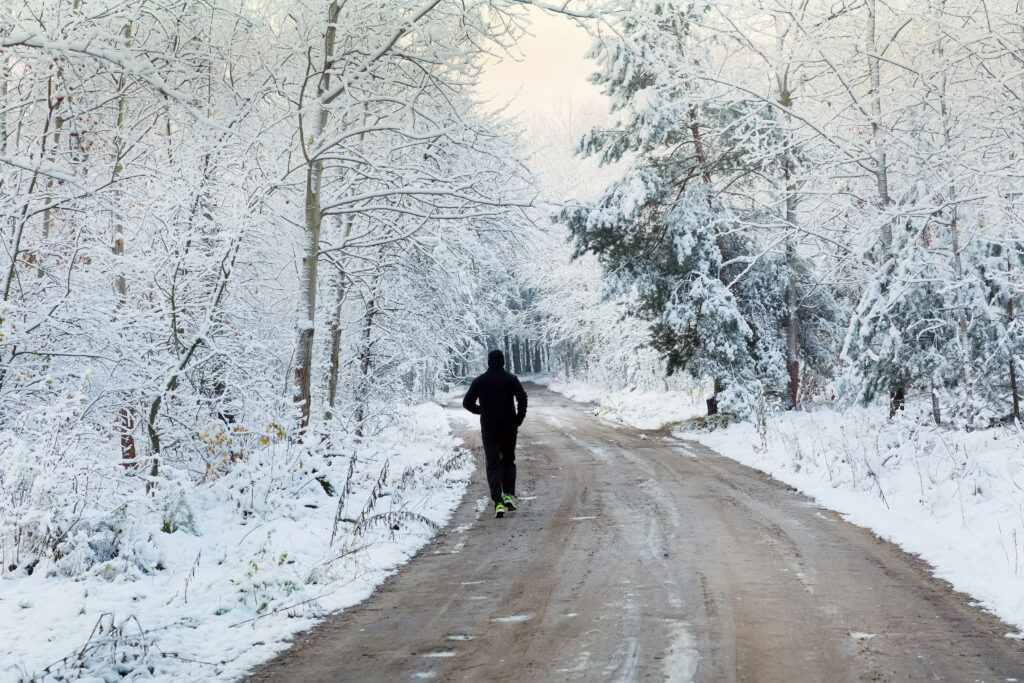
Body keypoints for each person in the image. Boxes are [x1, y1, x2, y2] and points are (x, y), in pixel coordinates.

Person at [462, 349, 528, 518]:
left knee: (492, 464)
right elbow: (522, 398)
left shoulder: (480, 381)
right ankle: (508, 494)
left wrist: (482, 411)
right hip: (508, 427)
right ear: (503, 362)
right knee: (508, 460)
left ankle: (497, 501)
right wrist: (518, 418)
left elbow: (467, 403)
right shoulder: (511, 379)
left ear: (489, 362)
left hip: (489, 429)